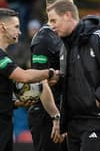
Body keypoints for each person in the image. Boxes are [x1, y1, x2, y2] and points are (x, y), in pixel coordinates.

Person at [47, 0, 100, 151]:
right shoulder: (64, 46)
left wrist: (97, 98)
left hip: (96, 119)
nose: (51, 26)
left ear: (67, 15)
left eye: (53, 20)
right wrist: (58, 81)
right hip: (73, 122)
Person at [0, 8, 60, 151]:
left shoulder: (5, 55)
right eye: (16, 27)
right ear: (2, 27)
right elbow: (23, 76)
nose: (19, 32)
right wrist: (49, 72)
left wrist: (17, 102)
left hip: (5, 120)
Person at [28, 0, 73, 151]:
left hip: (66, 112)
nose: (70, 11)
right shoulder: (43, 40)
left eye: (71, 5)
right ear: (49, 10)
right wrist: (56, 116)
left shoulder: (67, 36)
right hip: (48, 115)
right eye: (64, 5)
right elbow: (41, 82)